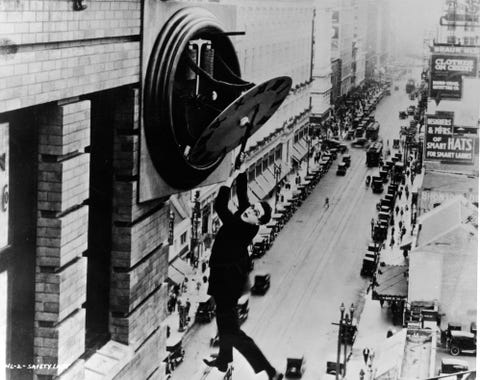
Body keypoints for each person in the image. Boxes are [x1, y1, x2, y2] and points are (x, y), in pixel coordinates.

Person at [204, 156, 283, 380]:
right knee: (224, 322)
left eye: (256, 213)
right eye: (254, 208)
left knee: (233, 331)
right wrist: (241, 170)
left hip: (229, 280)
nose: (251, 210)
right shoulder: (248, 216)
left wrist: (228, 178)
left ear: (258, 223)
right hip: (225, 273)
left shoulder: (241, 227)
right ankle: (223, 360)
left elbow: (220, 206)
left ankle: (269, 371)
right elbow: (243, 196)